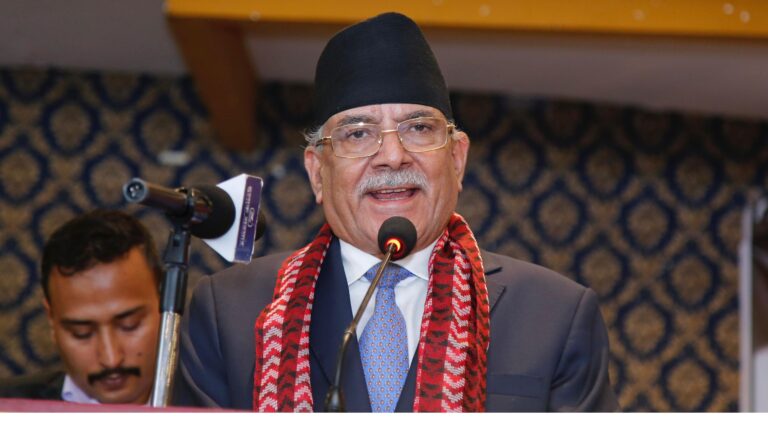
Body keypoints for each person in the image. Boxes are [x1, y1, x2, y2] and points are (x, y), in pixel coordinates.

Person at [173, 12, 618, 412]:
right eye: (358, 134)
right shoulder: (230, 310)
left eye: (418, 128)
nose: (391, 156)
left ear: (457, 159)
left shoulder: (554, 314)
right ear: (317, 173)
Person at [0, 209, 163, 405]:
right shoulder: (8, 410)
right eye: (82, 333)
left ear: (165, 306)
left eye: (130, 325)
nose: (111, 359)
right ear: (51, 319)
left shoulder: (199, 402)